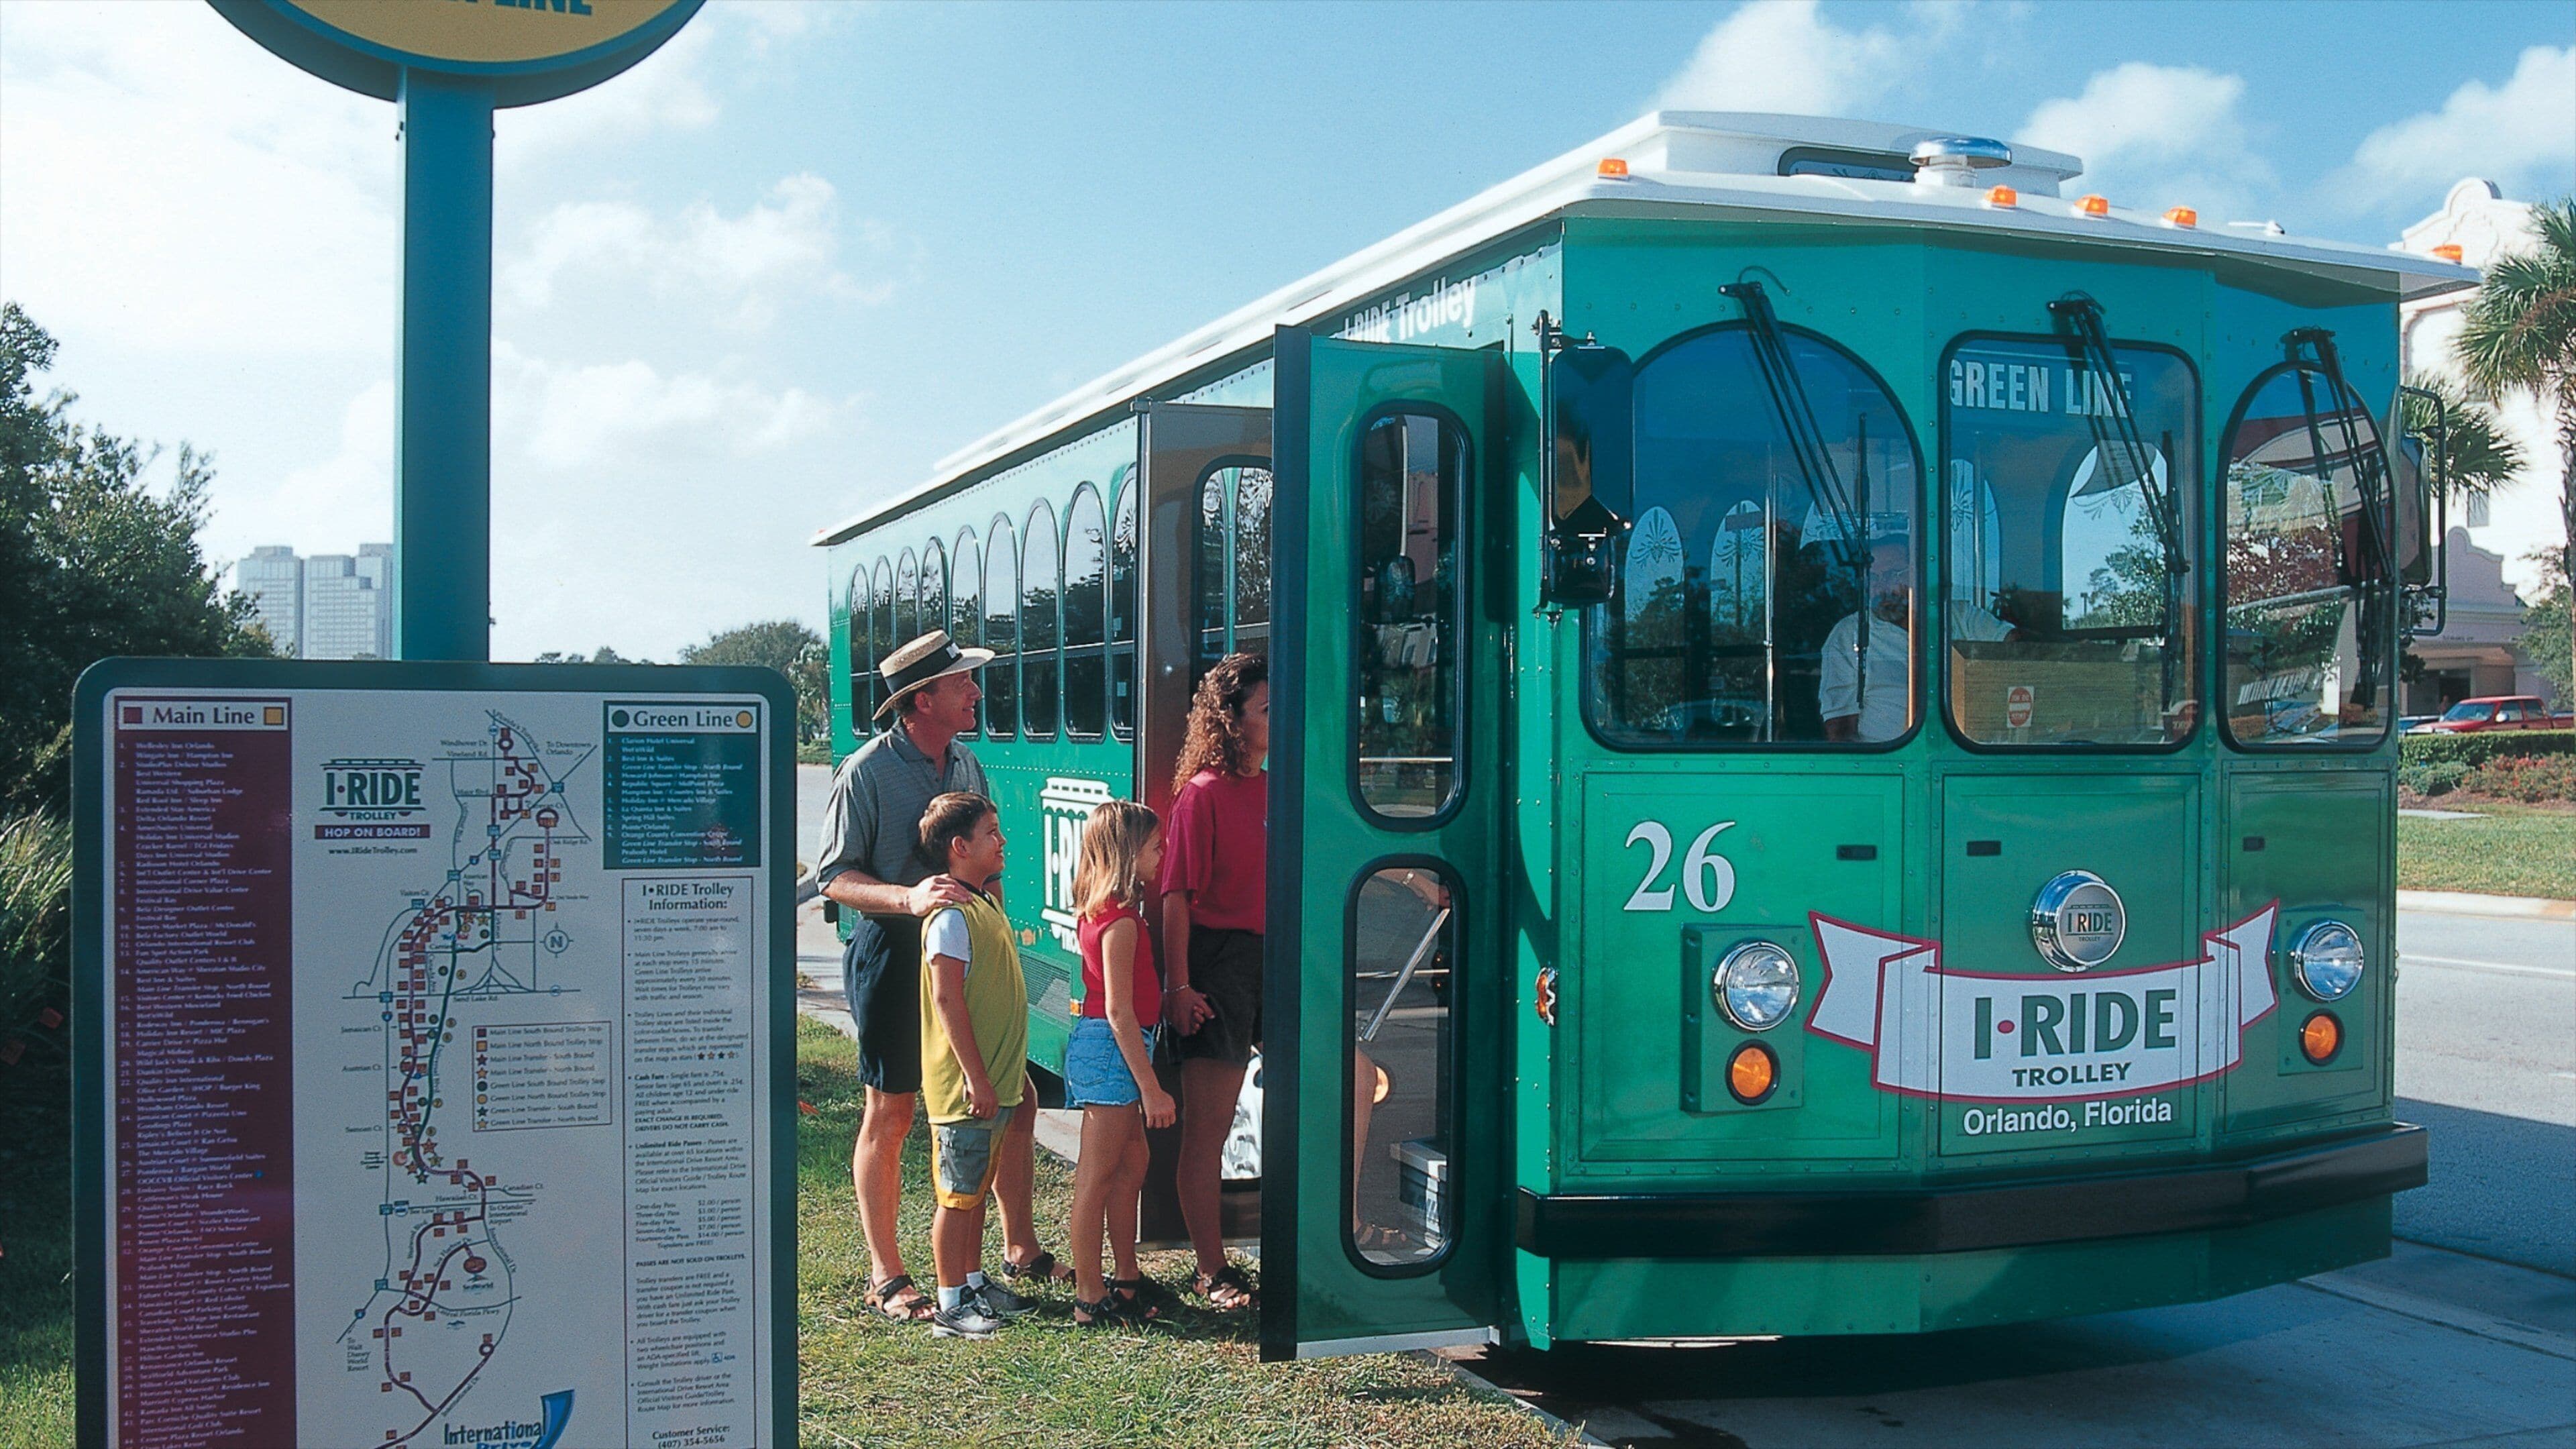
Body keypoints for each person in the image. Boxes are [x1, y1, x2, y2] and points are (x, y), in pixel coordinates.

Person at [814, 631, 1062, 1325]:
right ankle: (888, 1275)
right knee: (892, 1113)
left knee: (1012, 1098)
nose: (975, 694)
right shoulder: (864, 771)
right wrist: (910, 899)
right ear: (923, 700)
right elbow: (834, 878)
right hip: (894, 957)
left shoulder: (967, 764)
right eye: (962, 685)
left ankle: (1015, 1250)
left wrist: (1002, 942)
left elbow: (990, 867)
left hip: (966, 959)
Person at [1160, 653, 1268, 1311]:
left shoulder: (1277, 785)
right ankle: (1212, 1271)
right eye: (1265, 709)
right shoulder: (1201, 793)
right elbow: (1175, 896)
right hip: (1218, 964)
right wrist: (1178, 988)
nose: (1278, 719)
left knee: (1348, 1083)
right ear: (1231, 721)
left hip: (1276, 959)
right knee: (1210, 1128)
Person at [914, 792, 1033, 1340]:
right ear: (960, 847)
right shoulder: (950, 919)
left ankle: (972, 1281)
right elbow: (947, 1001)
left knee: (975, 1191)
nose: (1002, 840)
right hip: (965, 1090)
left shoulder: (983, 903)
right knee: (956, 1197)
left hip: (995, 1082)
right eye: (991, 833)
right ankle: (948, 1304)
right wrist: (976, 1077)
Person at [1061, 800, 1175, 1328]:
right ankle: (1090, 1295)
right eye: (1155, 846)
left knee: (1133, 1165)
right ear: (1129, 854)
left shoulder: (1103, 908)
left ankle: (1126, 1277)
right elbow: (1119, 1012)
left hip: (1114, 1046)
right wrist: (1151, 1088)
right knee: (1097, 1175)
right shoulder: (1122, 922)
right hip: (1113, 1049)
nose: (1163, 853)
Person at [1820, 537, 2014, 742]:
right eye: (1874, 578)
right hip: (1889, 760)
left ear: (1917, 575)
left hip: (1968, 752)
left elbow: (2018, 649)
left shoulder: (1960, 616)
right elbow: (1840, 730)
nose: (1882, 589)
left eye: (1892, 575)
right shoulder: (1850, 634)